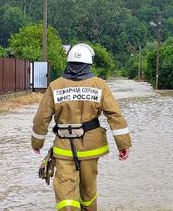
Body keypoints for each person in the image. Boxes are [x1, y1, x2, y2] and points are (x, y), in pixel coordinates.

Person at [31, 43, 132, 211]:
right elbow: (114, 115)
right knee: (88, 190)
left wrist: (37, 143)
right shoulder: (99, 85)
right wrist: (124, 145)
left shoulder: (55, 86)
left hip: (63, 149)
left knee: (65, 192)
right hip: (91, 148)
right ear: (89, 64)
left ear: (68, 63)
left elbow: (41, 119)